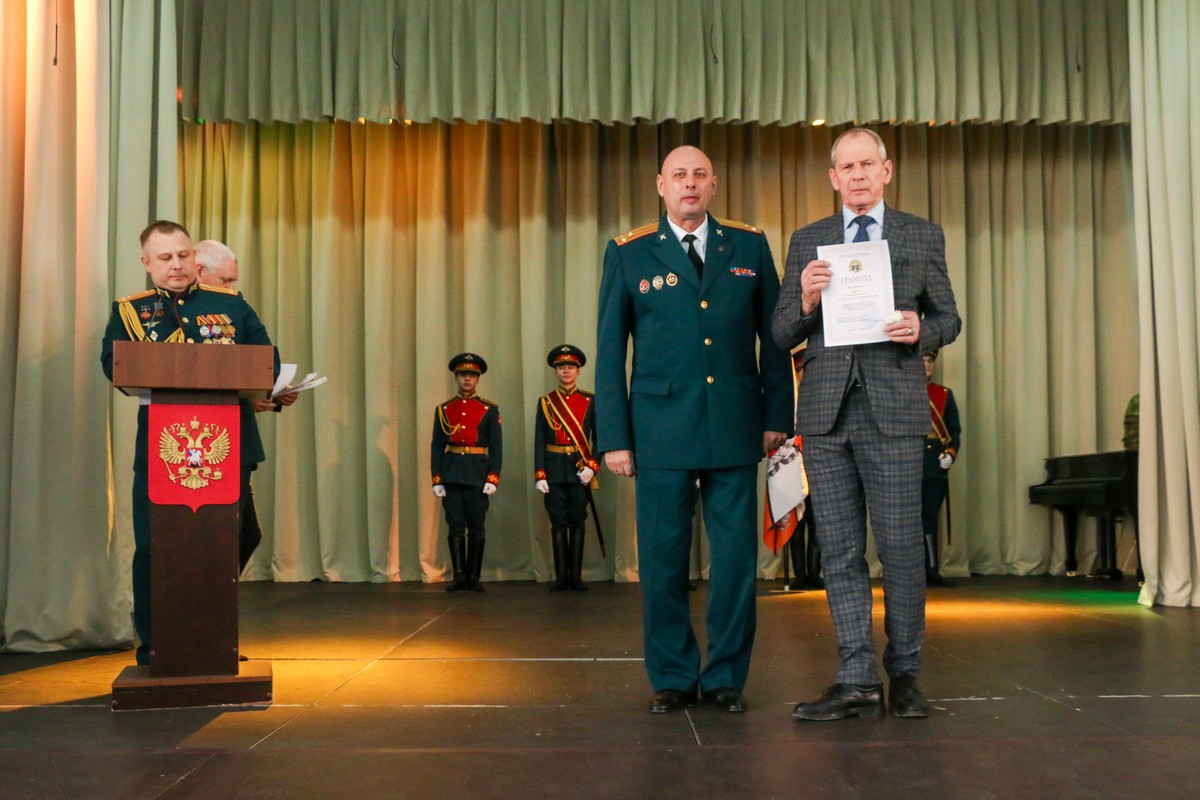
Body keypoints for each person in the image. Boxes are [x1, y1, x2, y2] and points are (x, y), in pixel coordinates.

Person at [596, 145, 794, 714]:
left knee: (734, 564)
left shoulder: (749, 246)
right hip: (659, 431)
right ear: (661, 185)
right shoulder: (629, 251)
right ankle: (673, 676)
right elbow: (609, 351)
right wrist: (615, 437)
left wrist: (777, 417)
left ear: (714, 185)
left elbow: (773, 339)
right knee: (662, 563)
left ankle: (726, 675)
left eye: (699, 175)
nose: (689, 184)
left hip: (735, 425)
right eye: (679, 175)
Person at [772, 128, 961, 721]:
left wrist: (922, 329)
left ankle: (904, 675)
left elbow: (949, 318)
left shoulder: (921, 235)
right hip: (826, 415)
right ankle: (856, 678)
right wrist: (806, 301)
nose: (856, 175)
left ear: (886, 170)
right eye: (846, 167)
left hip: (895, 411)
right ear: (833, 178)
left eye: (866, 165)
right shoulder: (808, 240)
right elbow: (781, 332)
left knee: (902, 549)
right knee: (840, 553)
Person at [100, 220, 281, 666]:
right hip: (163, 450)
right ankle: (156, 645)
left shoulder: (230, 305)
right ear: (147, 263)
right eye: (165, 258)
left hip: (226, 444)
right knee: (155, 547)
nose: (177, 265)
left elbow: (267, 360)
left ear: (194, 257)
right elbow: (112, 363)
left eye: (183, 255)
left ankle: (214, 641)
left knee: (220, 546)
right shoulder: (131, 312)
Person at [194, 239, 297, 574]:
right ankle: (207, 596)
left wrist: (271, 390)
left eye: (233, 281)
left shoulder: (238, 307)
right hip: (190, 437)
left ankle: (218, 595)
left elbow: (266, 356)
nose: (232, 288)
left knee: (245, 533)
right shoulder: (173, 310)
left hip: (235, 435)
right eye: (226, 280)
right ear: (199, 271)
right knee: (205, 536)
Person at [430, 353, 502, 592]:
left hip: (477, 473)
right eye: (463, 374)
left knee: (477, 526)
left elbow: (496, 446)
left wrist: (493, 477)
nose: (467, 379)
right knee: (455, 526)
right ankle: (459, 575)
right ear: (456, 377)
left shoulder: (489, 409)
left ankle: (474, 576)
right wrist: (436, 478)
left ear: (478, 379)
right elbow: (437, 445)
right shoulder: (444, 409)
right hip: (451, 473)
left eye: (472, 375)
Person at [534, 344, 599, 592]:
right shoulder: (546, 402)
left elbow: (599, 438)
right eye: (561, 367)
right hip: (553, 469)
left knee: (578, 520)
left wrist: (593, 466)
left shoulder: (589, 401)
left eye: (571, 367)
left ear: (578, 371)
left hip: (579, 469)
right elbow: (540, 440)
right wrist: (540, 473)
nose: (566, 371)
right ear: (555, 371)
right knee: (558, 521)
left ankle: (576, 576)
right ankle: (561, 576)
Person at [922, 349, 960, 588]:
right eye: (922, 361)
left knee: (929, 519)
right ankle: (911, 572)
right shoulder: (900, 392)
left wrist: (950, 454)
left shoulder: (943, 394)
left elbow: (953, 431)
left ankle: (932, 569)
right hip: (905, 465)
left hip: (933, 465)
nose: (927, 365)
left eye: (930, 361)